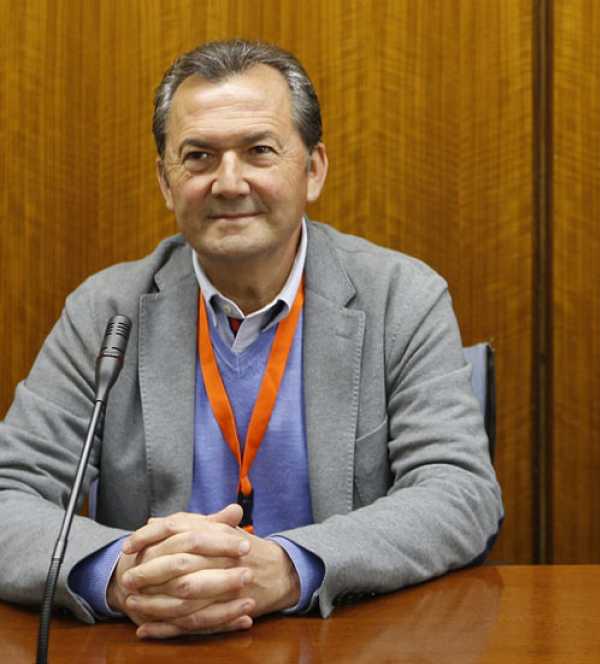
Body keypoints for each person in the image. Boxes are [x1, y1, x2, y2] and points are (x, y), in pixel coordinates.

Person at [0, 40, 502, 638]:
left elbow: (459, 492)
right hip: (155, 646)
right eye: (200, 157)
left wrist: (290, 567)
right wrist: (125, 574)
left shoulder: (401, 298)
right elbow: (9, 494)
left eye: (259, 151)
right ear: (166, 181)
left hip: (346, 641)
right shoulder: (105, 313)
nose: (229, 182)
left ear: (313, 169)